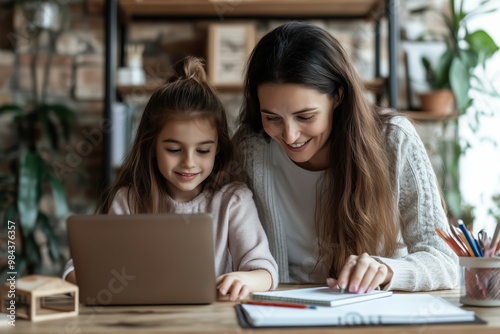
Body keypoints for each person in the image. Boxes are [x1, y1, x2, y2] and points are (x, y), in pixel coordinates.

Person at [233, 22, 458, 293]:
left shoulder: (393, 141)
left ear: (338, 96)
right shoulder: (250, 149)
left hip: (369, 312)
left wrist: (386, 270)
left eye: (305, 116)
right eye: (272, 118)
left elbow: (445, 260)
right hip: (279, 310)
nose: (290, 135)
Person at [64, 56, 278, 301]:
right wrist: (86, 278)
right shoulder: (129, 201)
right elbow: (76, 269)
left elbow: (266, 271)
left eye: (203, 150)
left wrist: (246, 279)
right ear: (151, 145)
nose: (189, 162)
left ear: (218, 148)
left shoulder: (233, 201)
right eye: (174, 150)